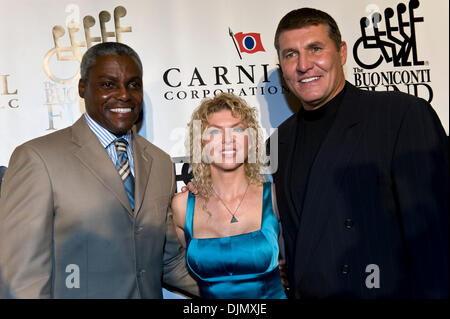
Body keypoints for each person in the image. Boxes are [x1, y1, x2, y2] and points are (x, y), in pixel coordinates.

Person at [269, 7, 449, 298]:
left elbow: (436, 237)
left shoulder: (400, 115)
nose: (303, 65)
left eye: (315, 48)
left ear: (341, 53)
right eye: (290, 54)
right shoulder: (279, 141)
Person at [0, 42, 198, 298]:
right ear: (83, 88)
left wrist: (243, 291)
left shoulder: (159, 162)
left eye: (134, 84)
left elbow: (168, 261)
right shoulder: (38, 159)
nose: (124, 94)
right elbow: (21, 277)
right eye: (108, 84)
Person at [171, 93, 287, 299]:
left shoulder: (277, 198)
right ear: (201, 144)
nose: (227, 140)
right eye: (214, 131)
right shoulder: (182, 206)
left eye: (238, 130)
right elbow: (173, 265)